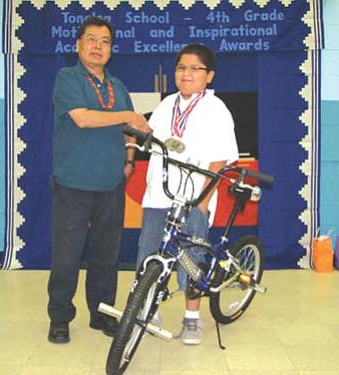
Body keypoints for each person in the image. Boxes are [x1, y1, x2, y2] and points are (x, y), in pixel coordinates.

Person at [47, 16, 150, 344]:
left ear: (111, 49)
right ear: (78, 45)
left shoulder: (117, 86)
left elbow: (130, 132)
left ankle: (102, 314)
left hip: (111, 186)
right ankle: (60, 318)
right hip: (72, 185)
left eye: (104, 41)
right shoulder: (67, 78)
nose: (97, 46)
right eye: (91, 39)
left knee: (107, 255)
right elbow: (82, 118)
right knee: (67, 256)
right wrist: (128, 116)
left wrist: (130, 159)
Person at [136, 44, 239, 345]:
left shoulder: (216, 109)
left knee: (192, 259)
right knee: (149, 254)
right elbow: (151, 139)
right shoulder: (167, 104)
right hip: (159, 194)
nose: (186, 73)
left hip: (194, 199)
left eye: (195, 68)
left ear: (209, 76)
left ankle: (192, 318)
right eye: (182, 67)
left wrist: (204, 203)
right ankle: (148, 309)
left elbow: (220, 158)